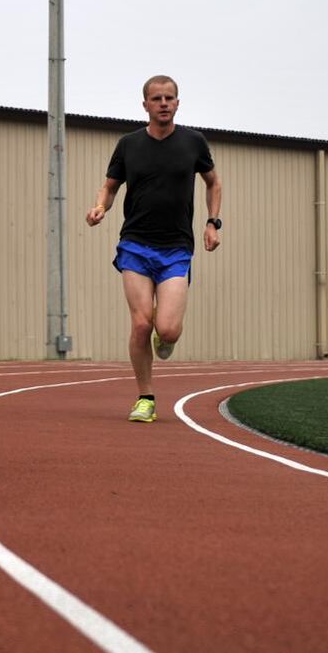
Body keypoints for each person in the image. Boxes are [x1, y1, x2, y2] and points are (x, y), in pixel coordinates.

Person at [86, 75, 223, 423]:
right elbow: (110, 186)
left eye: (169, 98)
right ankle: (145, 397)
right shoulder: (129, 145)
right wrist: (101, 206)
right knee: (142, 324)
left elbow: (213, 182)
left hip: (176, 247)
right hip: (135, 244)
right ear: (145, 105)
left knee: (168, 329)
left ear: (178, 103)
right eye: (156, 98)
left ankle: (167, 340)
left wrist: (212, 222)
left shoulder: (193, 142)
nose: (163, 103)